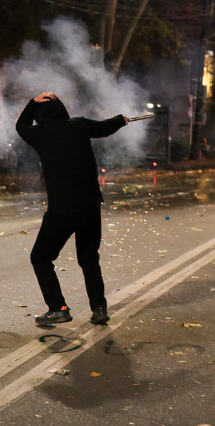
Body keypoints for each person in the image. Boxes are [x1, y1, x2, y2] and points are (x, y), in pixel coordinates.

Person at [15, 92, 128, 326]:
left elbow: (21, 125)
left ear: (41, 116)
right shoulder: (79, 125)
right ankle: (99, 309)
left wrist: (32, 102)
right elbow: (106, 127)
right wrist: (121, 119)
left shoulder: (40, 134)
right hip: (89, 206)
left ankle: (59, 308)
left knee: (41, 257)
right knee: (89, 258)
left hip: (62, 210)